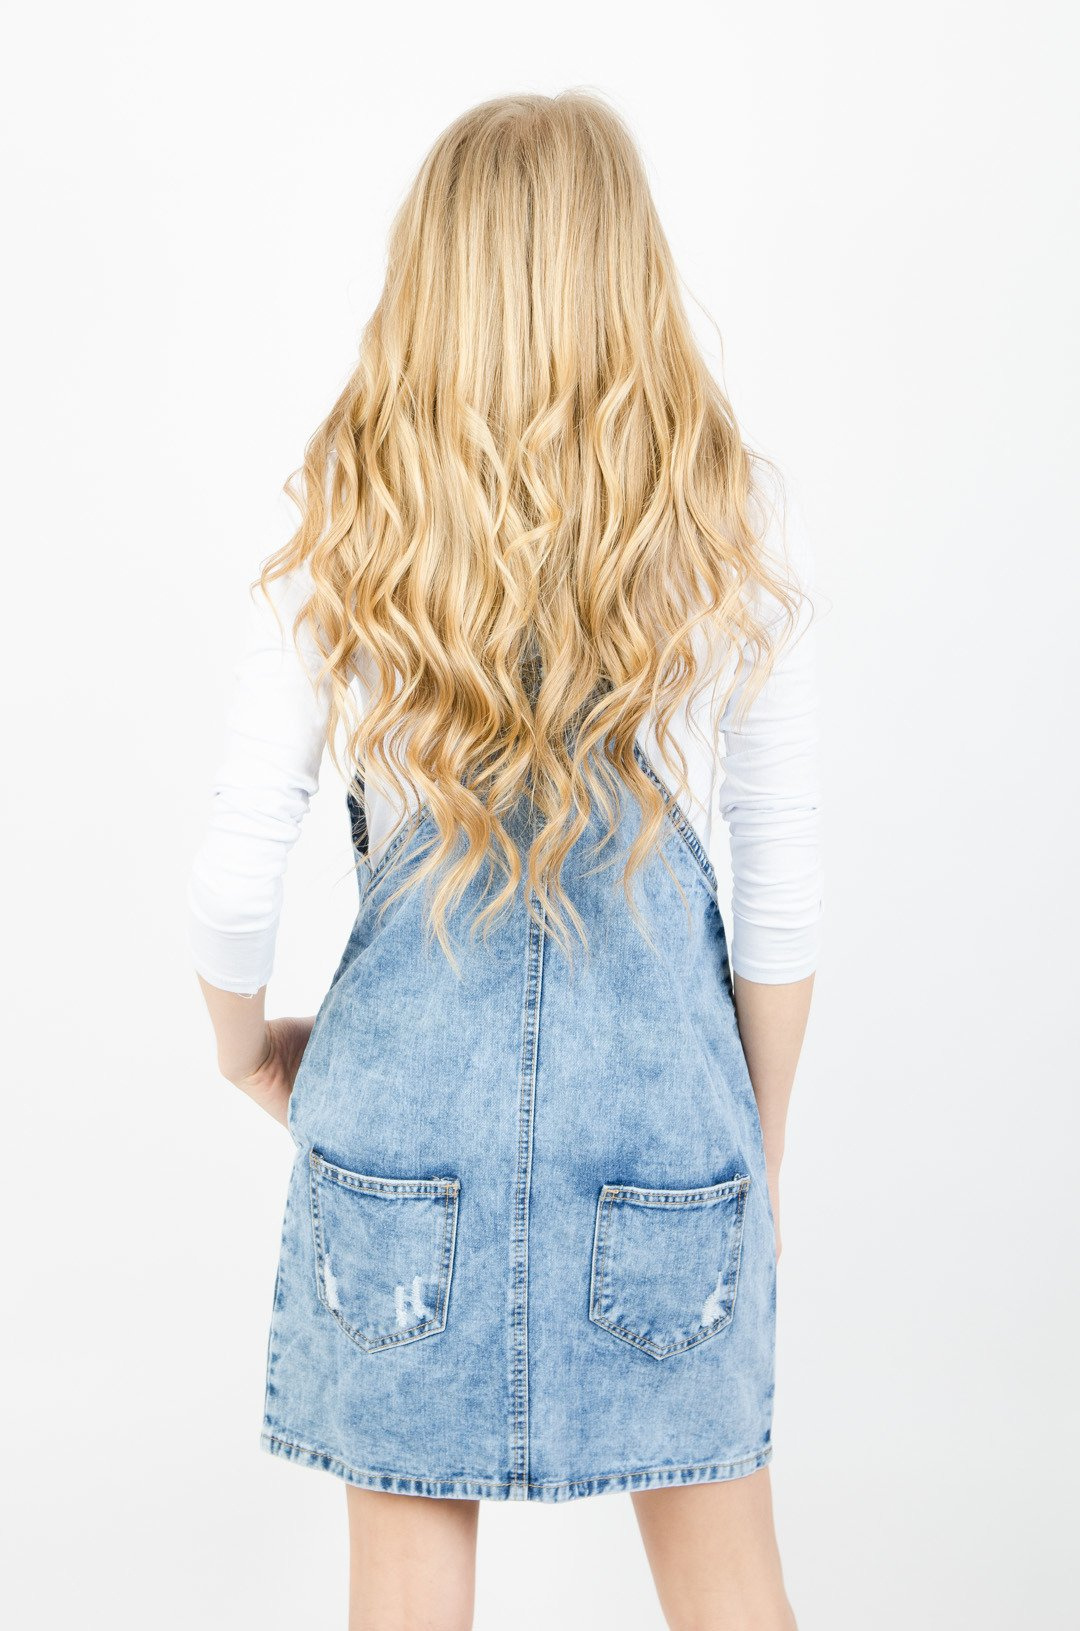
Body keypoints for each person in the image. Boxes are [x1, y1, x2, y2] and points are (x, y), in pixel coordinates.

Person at [187, 89, 823, 1631]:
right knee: (733, 1593)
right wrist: (756, 1152)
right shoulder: (724, 526)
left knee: (407, 1603)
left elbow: (232, 879)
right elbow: (781, 885)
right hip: (670, 1148)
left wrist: (245, 1052)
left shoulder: (347, 527)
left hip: (395, 1152)